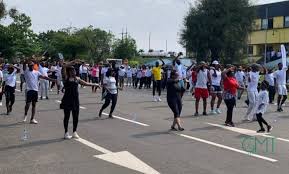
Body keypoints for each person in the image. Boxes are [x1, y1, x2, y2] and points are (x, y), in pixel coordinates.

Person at [61, 64, 99, 139]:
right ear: (68, 72)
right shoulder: (66, 78)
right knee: (67, 117)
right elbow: (64, 67)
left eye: (74, 70)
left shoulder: (77, 79)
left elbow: (86, 83)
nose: (74, 72)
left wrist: (95, 84)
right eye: (72, 70)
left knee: (76, 117)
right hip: (67, 100)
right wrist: (73, 62)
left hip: (75, 100)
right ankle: (66, 132)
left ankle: (74, 132)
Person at [23, 60, 57, 124]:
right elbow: (24, 64)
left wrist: (52, 80)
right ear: (28, 66)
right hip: (29, 90)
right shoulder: (26, 72)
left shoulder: (37, 72)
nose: (31, 66)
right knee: (27, 104)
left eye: (32, 65)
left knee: (34, 105)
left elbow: (44, 77)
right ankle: (25, 115)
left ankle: (32, 119)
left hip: (35, 90)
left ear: (34, 66)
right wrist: (28, 59)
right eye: (30, 65)